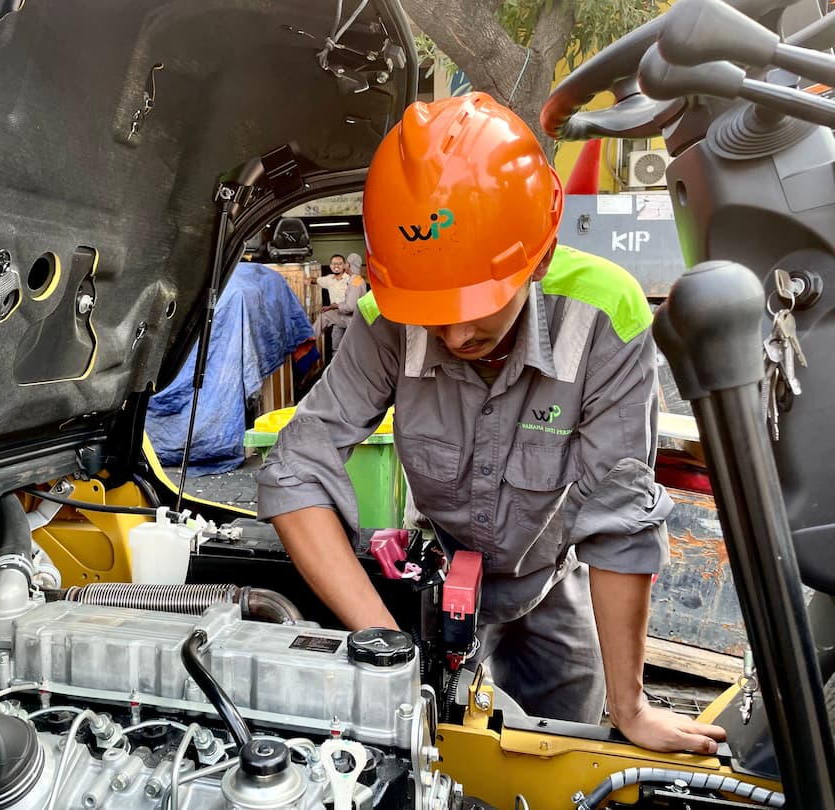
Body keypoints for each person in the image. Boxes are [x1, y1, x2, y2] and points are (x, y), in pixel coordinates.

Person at [255, 93, 726, 755]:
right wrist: (386, 650)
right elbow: (294, 470)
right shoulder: (388, 316)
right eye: (431, 311)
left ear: (540, 257)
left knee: (568, 743)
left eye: (476, 304)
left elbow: (619, 519)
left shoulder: (604, 315)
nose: (453, 335)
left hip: (551, 579)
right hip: (443, 576)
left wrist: (632, 706)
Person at [312, 254, 352, 349]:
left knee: (326, 314)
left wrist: (333, 306)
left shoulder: (350, 280)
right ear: (330, 266)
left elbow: (351, 304)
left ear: (344, 266)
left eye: (339, 264)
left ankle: (308, 339)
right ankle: (309, 339)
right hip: (337, 318)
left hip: (350, 318)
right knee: (336, 347)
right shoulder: (329, 279)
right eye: (334, 264)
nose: (336, 266)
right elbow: (315, 280)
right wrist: (305, 279)